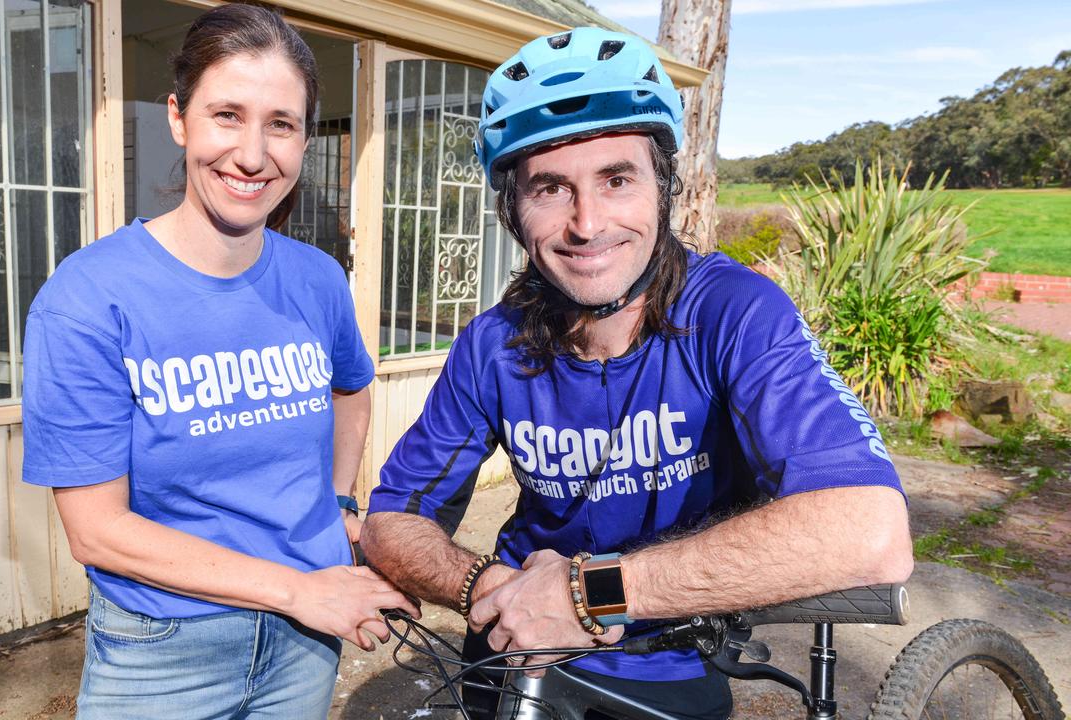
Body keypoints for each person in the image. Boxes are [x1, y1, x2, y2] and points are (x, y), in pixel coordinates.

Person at [360, 27, 912, 720]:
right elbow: (390, 520)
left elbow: (870, 532)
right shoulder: (491, 344)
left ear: (663, 188)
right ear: (512, 211)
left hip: (665, 657)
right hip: (511, 649)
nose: (587, 224)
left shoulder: (733, 313)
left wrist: (587, 595)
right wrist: (491, 587)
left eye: (616, 180)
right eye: (550, 189)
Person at [20, 5, 416, 719]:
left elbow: (352, 389)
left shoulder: (318, 279)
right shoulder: (88, 297)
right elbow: (96, 529)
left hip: (304, 643)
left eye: (282, 124)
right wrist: (300, 589)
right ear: (180, 118)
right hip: (163, 650)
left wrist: (336, 505)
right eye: (227, 115)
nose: (253, 154)